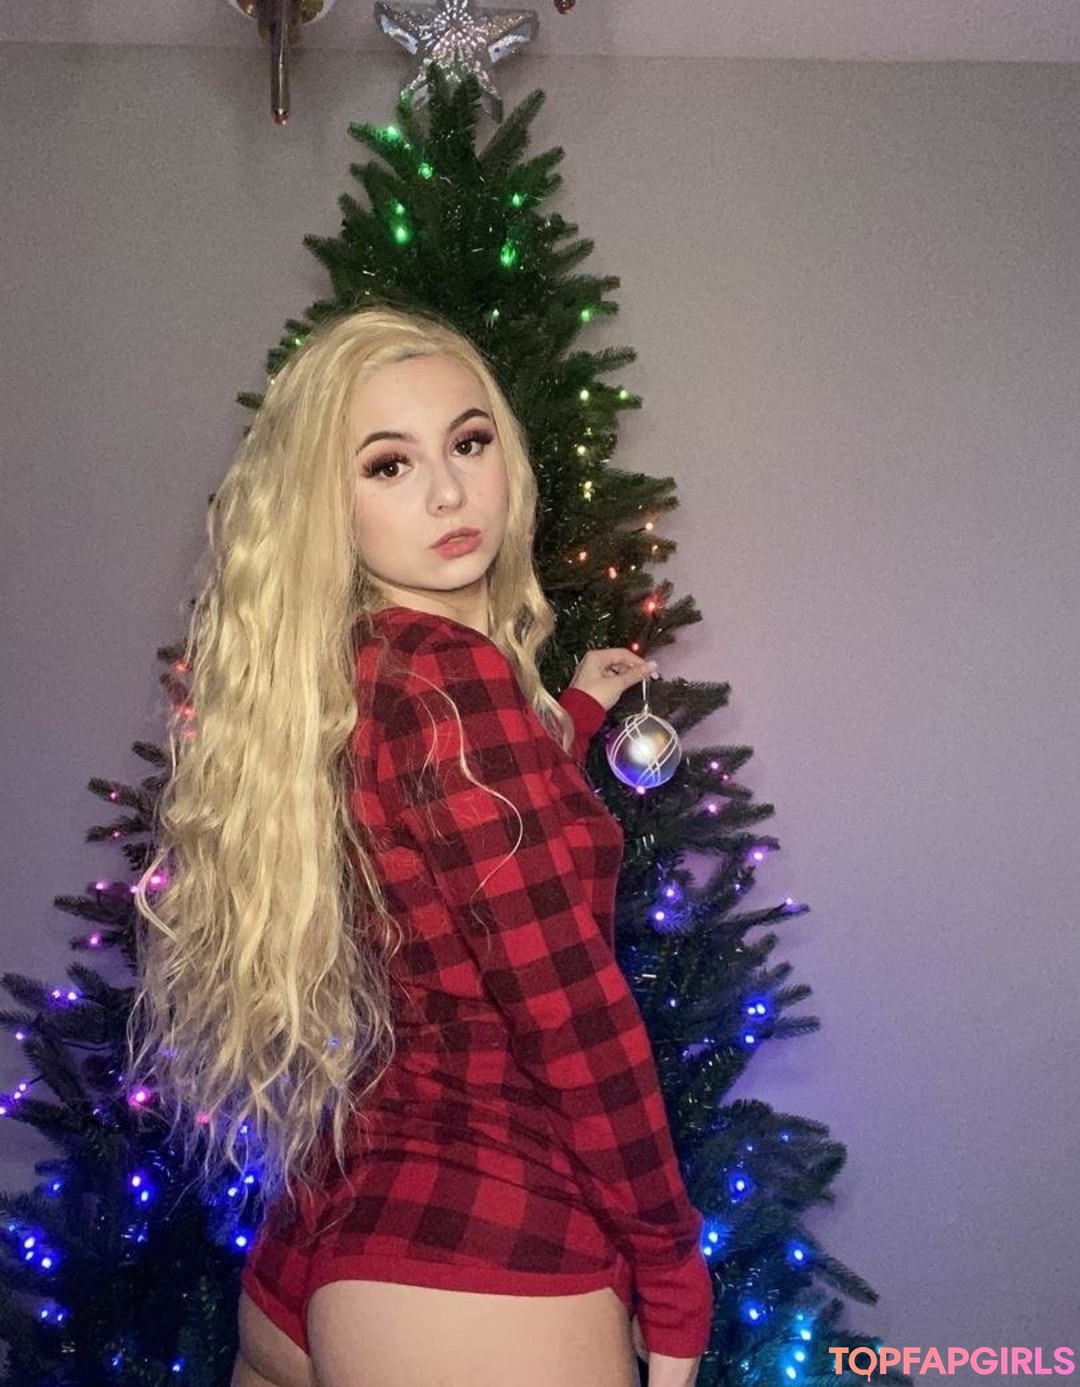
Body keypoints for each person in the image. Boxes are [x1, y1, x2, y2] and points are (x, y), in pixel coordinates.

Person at [128, 306, 713, 1387]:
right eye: (390, 464)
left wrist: (578, 714)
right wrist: (671, 1261)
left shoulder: (350, 672)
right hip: (482, 1246)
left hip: (324, 1232)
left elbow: (469, 824)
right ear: (329, 502)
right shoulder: (453, 684)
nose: (448, 492)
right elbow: (572, 1013)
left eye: (469, 442)